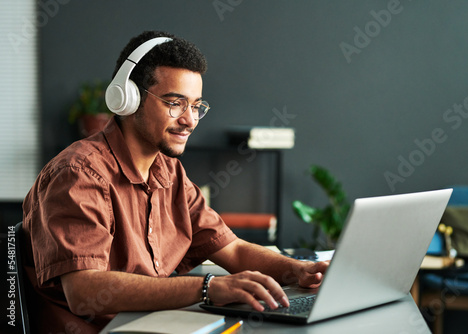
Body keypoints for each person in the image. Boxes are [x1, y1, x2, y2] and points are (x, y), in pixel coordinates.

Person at [22, 30, 329, 333]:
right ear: (128, 99)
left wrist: (299, 271)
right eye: (175, 103)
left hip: (155, 324)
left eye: (196, 106)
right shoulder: (79, 173)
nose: (190, 120)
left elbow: (232, 250)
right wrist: (208, 288)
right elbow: (84, 290)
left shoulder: (170, 172)